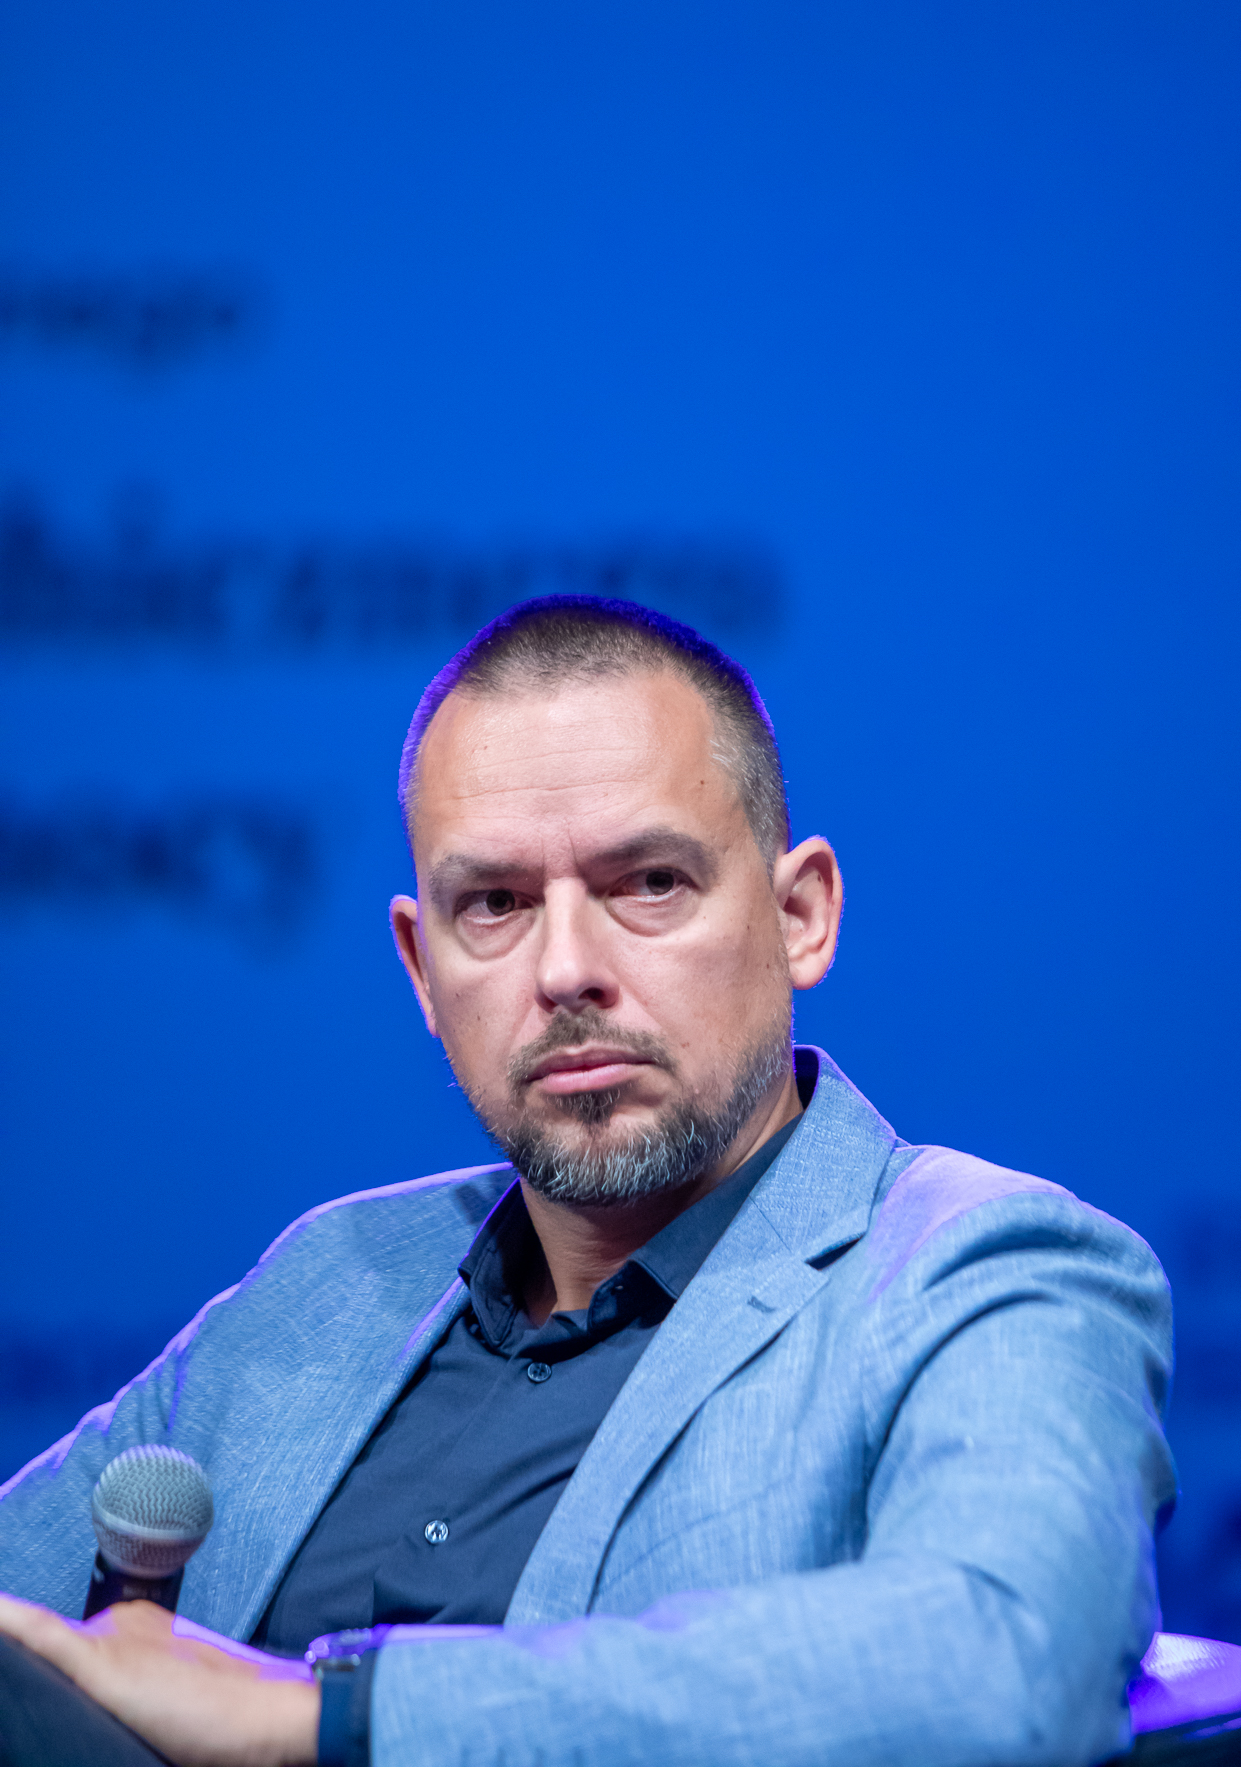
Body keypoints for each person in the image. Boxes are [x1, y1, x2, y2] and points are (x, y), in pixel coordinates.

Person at [0, 596, 1175, 1767]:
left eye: (648, 883)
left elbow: (1005, 1666)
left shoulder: (986, 1269)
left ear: (799, 917)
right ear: (421, 969)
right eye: (495, 905)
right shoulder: (332, 1275)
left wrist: (329, 1719)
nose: (565, 969)